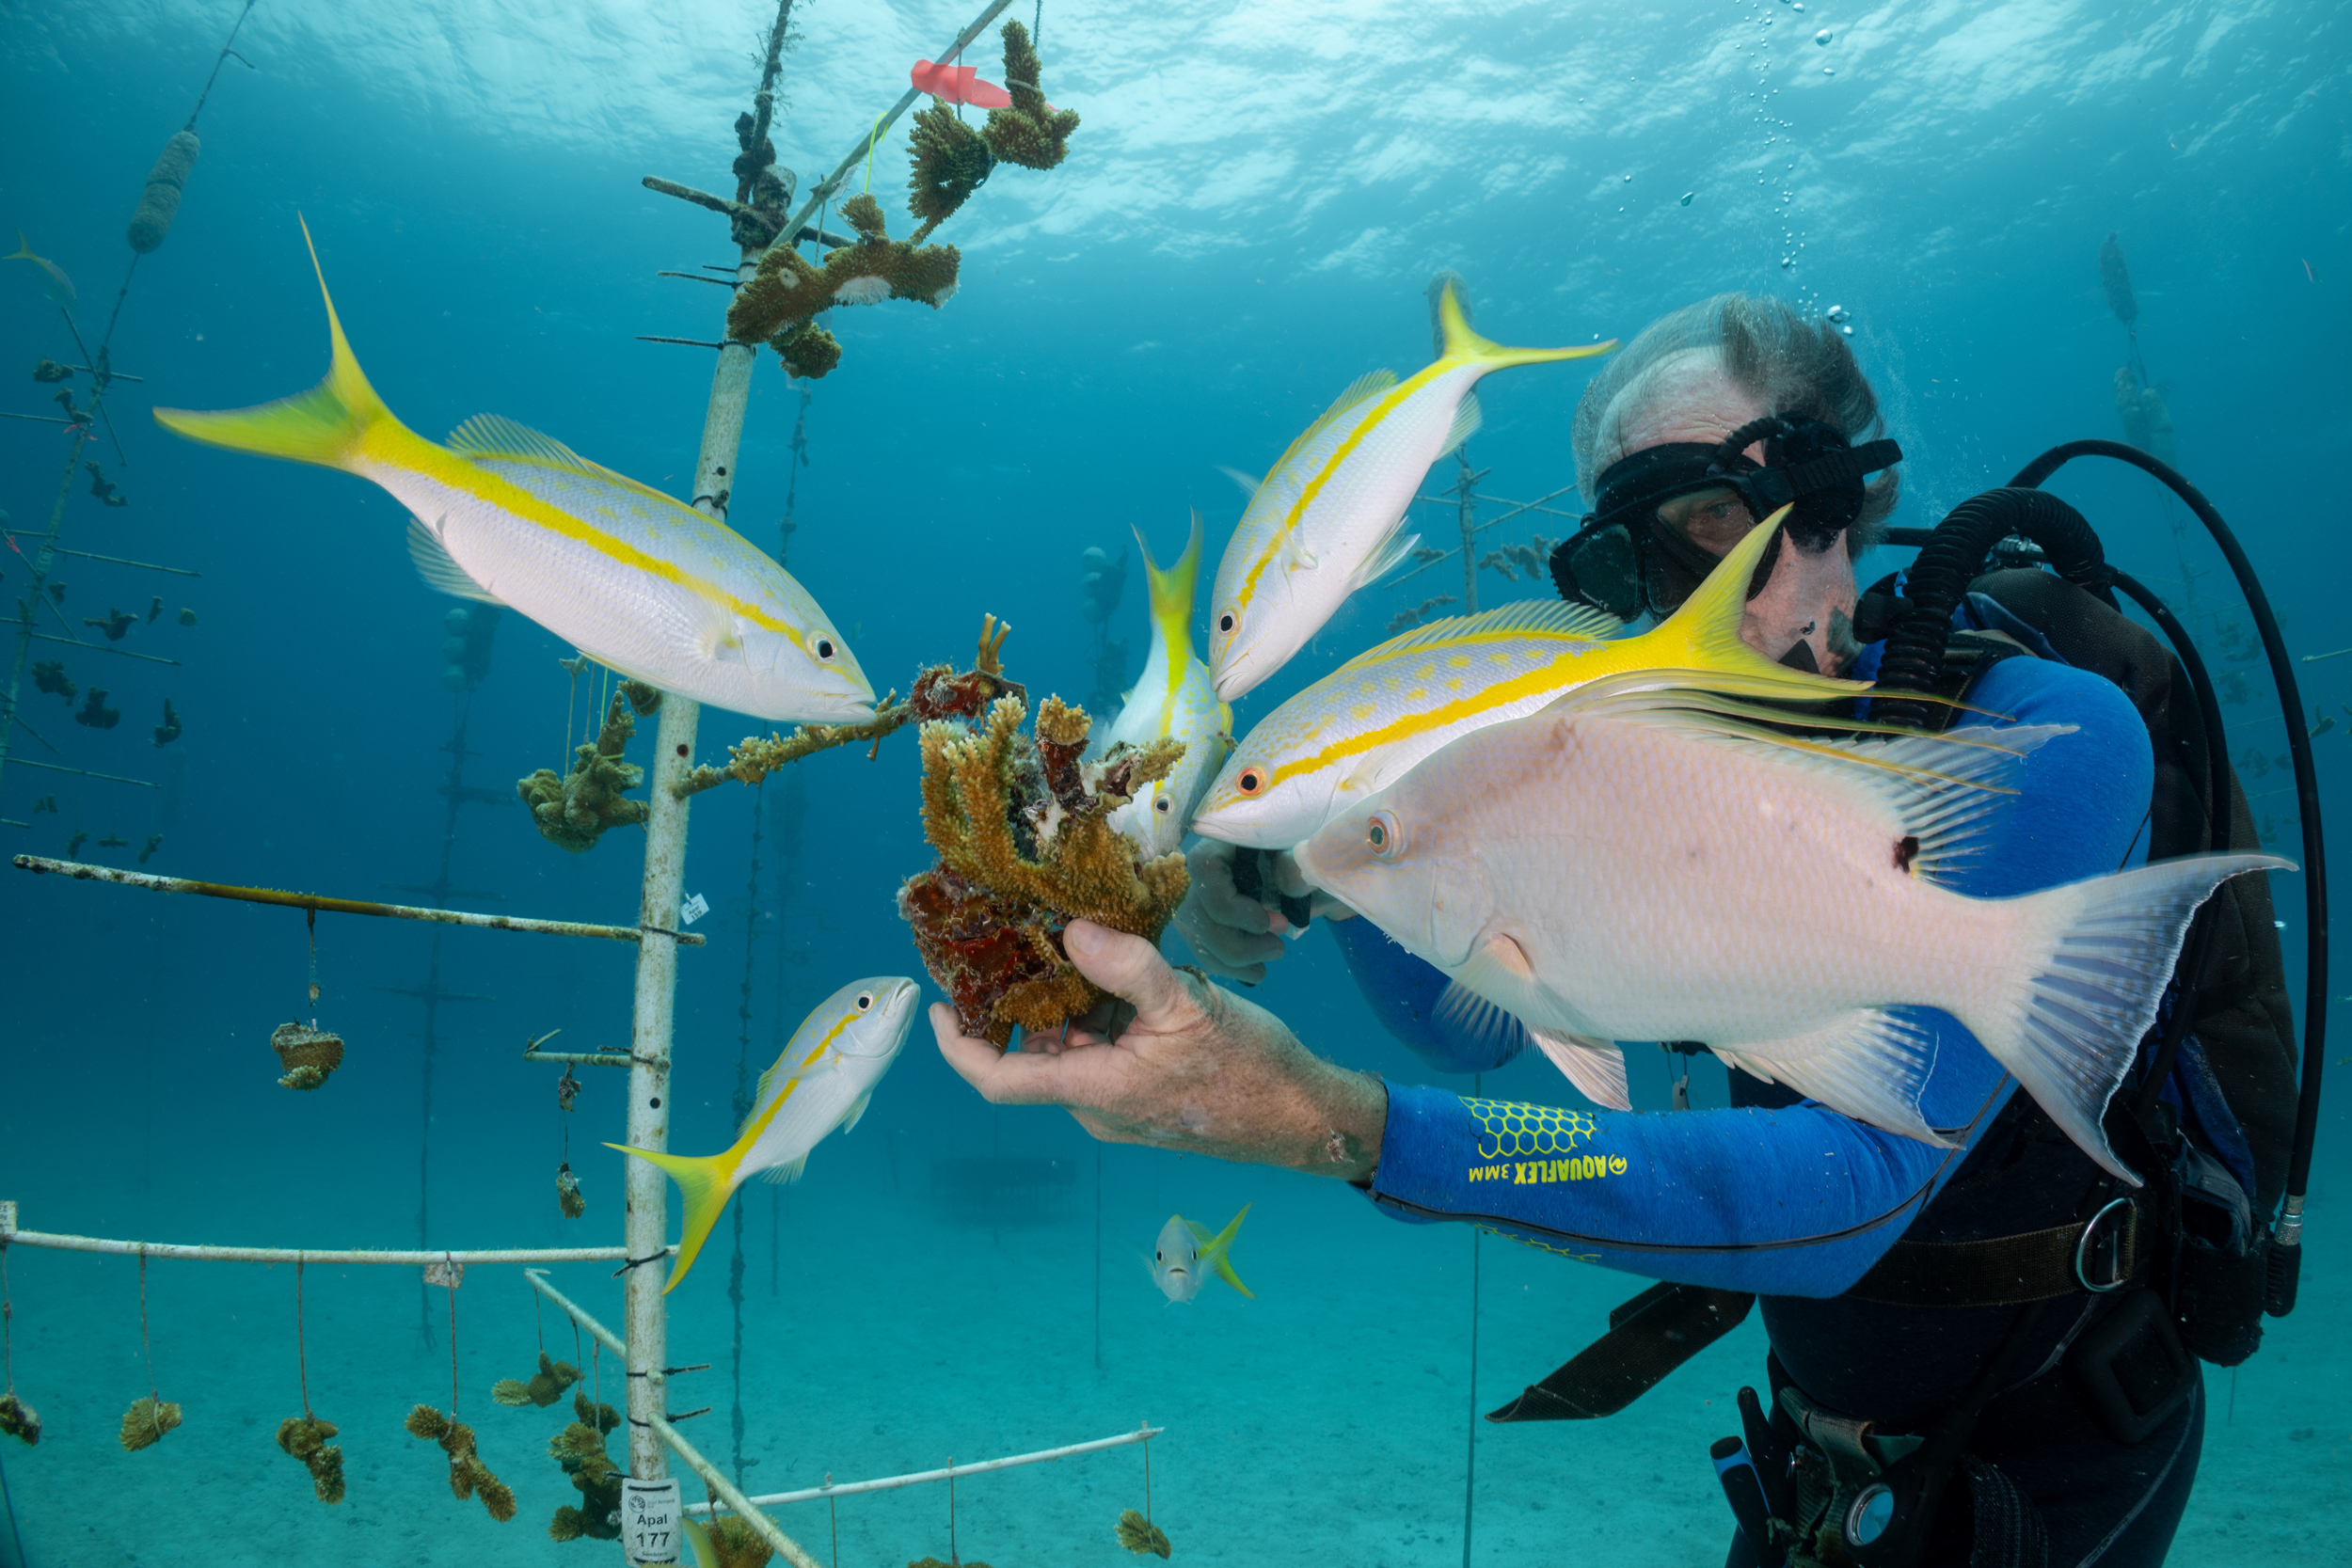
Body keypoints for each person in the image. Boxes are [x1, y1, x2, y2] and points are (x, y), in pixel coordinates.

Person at [930, 296, 2287, 1567]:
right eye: (1628, 560)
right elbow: (1481, 1015)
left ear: (1834, 506)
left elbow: (1857, 1190)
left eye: (1707, 519)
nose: (1676, 604)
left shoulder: (2043, 736)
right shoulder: (1637, 762)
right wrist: (1323, 877)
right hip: (1814, 1459)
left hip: (2062, 1450)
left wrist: (1320, 1118)